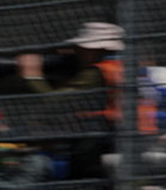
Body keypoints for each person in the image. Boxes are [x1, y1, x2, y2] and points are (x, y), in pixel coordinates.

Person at [16, 22, 153, 180]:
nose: (77, 52)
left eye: (81, 48)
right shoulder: (132, 68)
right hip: (141, 135)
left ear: (96, 49)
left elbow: (53, 101)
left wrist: (32, 76)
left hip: (104, 143)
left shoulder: (99, 72)